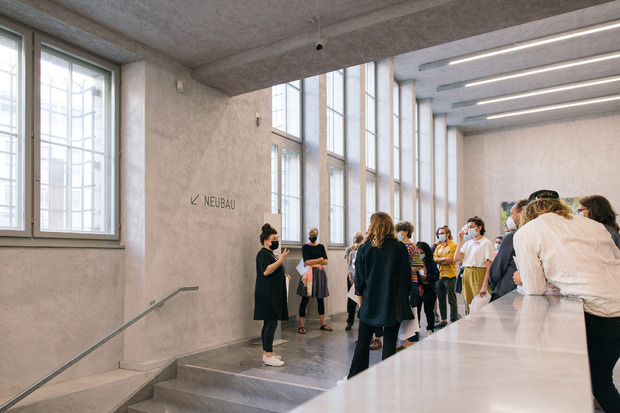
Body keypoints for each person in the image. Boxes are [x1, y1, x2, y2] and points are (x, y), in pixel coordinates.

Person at [512, 191, 620, 412]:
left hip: (600, 312)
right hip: (613, 303)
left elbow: (534, 288)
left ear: (528, 214)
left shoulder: (527, 231)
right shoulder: (593, 225)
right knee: (602, 379)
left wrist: (525, 275)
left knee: (596, 382)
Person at [346, 212, 413, 379]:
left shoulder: (364, 248)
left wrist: (361, 303)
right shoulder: (399, 248)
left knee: (363, 342)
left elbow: (359, 280)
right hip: (392, 301)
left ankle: (355, 377)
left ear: (372, 226)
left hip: (369, 301)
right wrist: (407, 298)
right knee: (390, 342)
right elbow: (406, 278)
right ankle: (387, 379)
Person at [254, 223, 290, 367]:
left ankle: (267, 353)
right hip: (266, 294)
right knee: (270, 323)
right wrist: (281, 260)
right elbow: (266, 271)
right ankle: (268, 355)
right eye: (274, 238)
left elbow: (274, 271)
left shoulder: (270, 254)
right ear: (266, 241)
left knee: (270, 323)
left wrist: (284, 276)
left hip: (271, 293)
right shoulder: (262, 254)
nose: (276, 241)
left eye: (277, 238)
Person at [488, 199, 528, 302]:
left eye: (512, 214)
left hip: (506, 292)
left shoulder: (511, 237)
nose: (510, 218)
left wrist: (493, 286)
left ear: (522, 214)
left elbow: (497, 269)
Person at [454, 216, 494, 314]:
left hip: (479, 272)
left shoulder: (486, 243)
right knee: (468, 302)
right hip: (467, 273)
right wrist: (460, 241)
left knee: (479, 303)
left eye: (472, 227)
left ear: (479, 228)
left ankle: (480, 325)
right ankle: (470, 324)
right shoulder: (468, 243)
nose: (469, 229)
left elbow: (489, 264)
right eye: (468, 227)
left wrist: (485, 285)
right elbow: (456, 258)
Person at [297, 227, 331, 333]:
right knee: (305, 299)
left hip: (320, 273)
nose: (312, 237)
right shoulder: (305, 247)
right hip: (308, 274)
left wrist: (315, 261)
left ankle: (323, 323)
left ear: (317, 235)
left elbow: (326, 261)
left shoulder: (321, 246)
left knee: (320, 299)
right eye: (310, 235)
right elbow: (307, 262)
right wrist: (319, 259)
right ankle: (301, 325)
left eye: (314, 235)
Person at [394, 221, 423, 349]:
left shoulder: (412, 247)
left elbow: (418, 265)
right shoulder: (397, 245)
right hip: (399, 282)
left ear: (406, 232)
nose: (397, 233)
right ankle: (405, 338)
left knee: (411, 310)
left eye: (399, 230)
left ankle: (411, 339)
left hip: (411, 282)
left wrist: (404, 269)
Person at [434, 225, 459, 327]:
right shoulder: (439, 247)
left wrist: (440, 259)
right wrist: (443, 259)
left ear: (447, 234)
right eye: (439, 234)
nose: (440, 235)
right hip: (440, 275)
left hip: (450, 275)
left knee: (451, 299)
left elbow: (451, 259)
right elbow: (434, 258)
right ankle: (443, 320)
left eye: (442, 233)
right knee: (441, 299)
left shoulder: (454, 246)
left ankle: (454, 319)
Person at [416, 241, 439, 337]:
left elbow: (436, 276)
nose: (420, 255)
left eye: (422, 253)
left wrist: (427, 276)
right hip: (417, 288)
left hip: (429, 288)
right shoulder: (415, 262)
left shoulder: (431, 263)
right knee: (416, 310)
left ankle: (430, 328)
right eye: (418, 253)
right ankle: (416, 329)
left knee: (429, 310)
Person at [345, 232, 364, 330]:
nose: (357, 243)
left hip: (362, 279)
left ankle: (363, 322)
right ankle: (350, 321)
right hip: (353, 278)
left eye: (359, 242)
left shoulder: (364, 251)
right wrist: (350, 277)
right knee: (352, 301)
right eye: (355, 242)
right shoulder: (351, 252)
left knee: (362, 301)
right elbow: (350, 266)